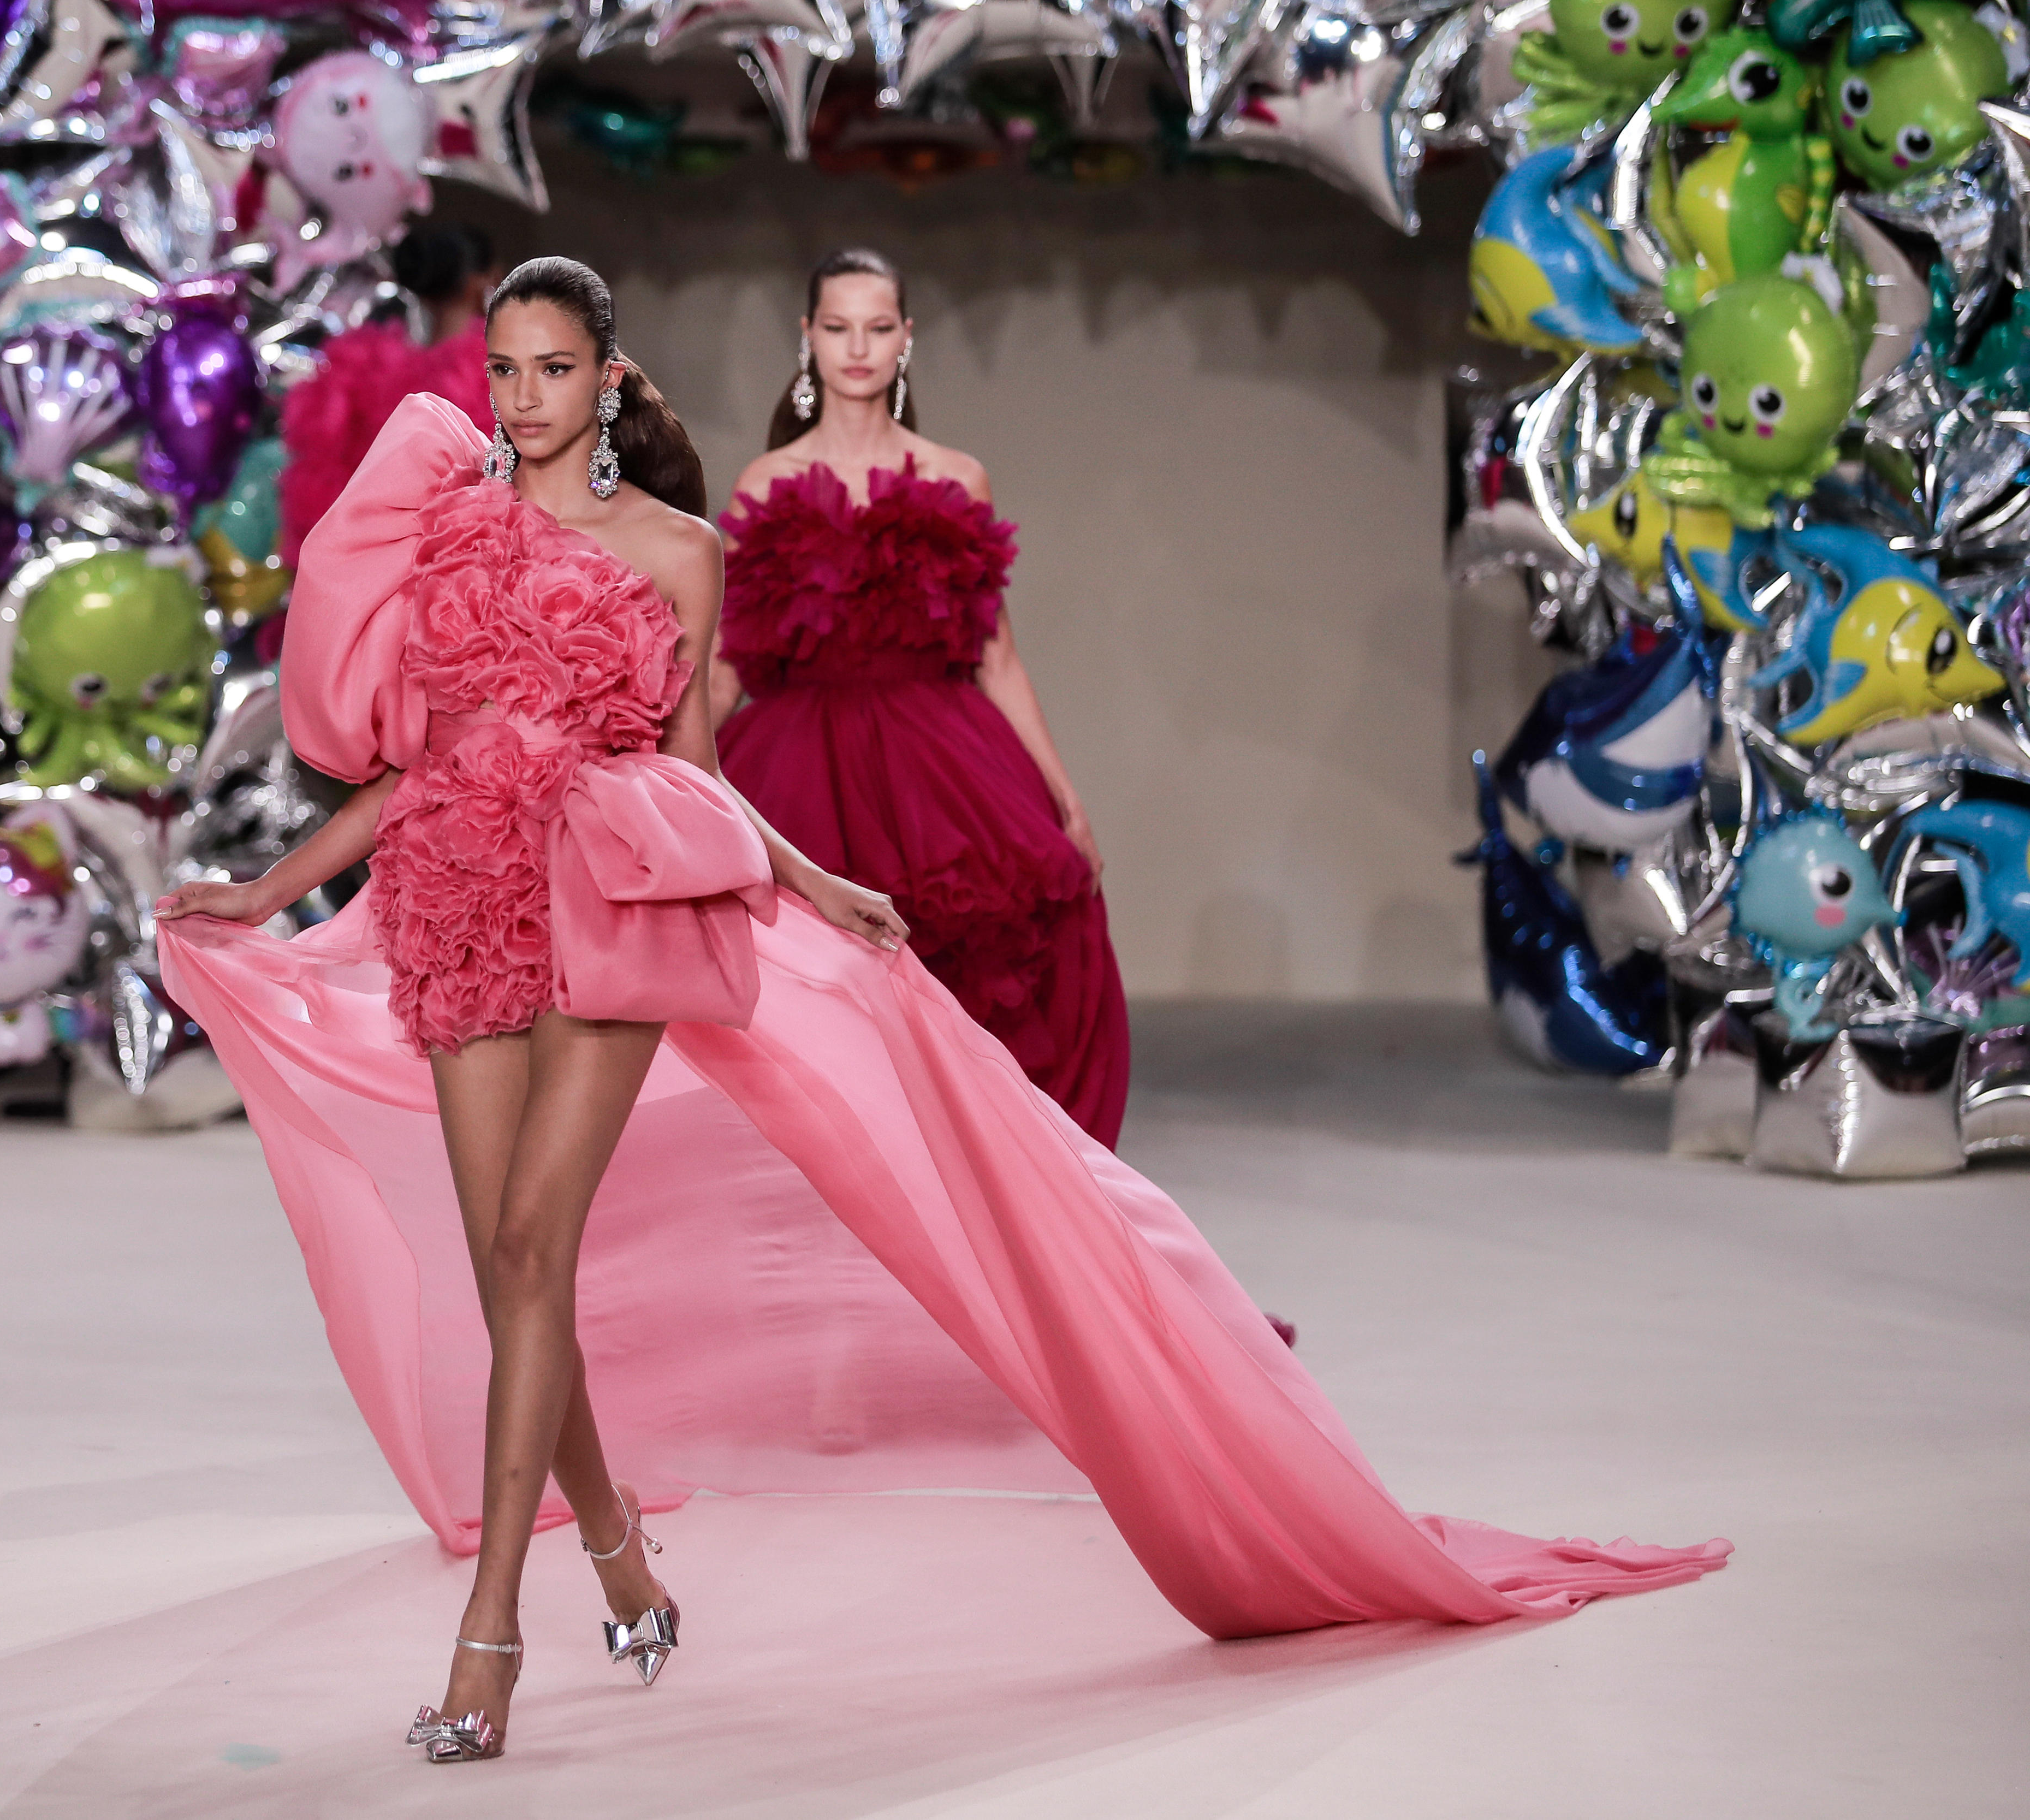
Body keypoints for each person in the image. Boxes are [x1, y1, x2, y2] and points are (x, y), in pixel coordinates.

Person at [153, 258, 1728, 1768]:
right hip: (456, 892)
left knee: (527, 1252)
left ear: (612, 376)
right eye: (503, 368)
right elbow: (413, 767)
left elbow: (691, 768)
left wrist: (817, 882)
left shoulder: (684, 549)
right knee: (516, 1272)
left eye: (555, 366)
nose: (526, 394)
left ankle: (488, 1639)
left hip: (622, 903)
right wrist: (265, 885)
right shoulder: (456, 530)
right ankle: (621, 1553)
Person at [714, 247, 1131, 1145]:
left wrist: (1065, 800)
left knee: (968, 998)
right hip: (800, 771)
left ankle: (968, 1236)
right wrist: (652, 767)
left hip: (944, 778)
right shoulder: (765, 485)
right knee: (812, 1014)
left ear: (907, 338)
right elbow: (729, 663)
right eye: (837, 328)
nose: (856, 348)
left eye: (876, 327)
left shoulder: (955, 477)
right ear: (808, 338)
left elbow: (997, 657)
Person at [276, 223, 501, 570]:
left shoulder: (364, 367)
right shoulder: (498, 371)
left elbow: (317, 482)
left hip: (361, 570)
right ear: (482, 282)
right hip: (455, 575)